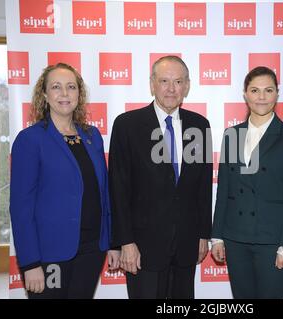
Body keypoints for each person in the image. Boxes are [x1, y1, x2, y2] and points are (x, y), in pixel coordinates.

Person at [10, 63, 119, 299]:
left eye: (71, 87)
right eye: (56, 87)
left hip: (92, 250)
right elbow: (21, 207)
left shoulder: (92, 137)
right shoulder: (30, 140)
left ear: (79, 94)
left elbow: (103, 193)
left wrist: (112, 242)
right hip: (49, 255)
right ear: (44, 95)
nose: (64, 94)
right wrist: (30, 264)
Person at [108, 56, 212, 299]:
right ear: (152, 84)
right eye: (164, 81)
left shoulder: (200, 126)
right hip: (141, 248)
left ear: (187, 86)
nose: (171, 88)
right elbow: (118, 188)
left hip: (186, 246)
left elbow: (203, 187)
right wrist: (124, 242)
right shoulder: (127, 125)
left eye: (178, 81)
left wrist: (203, 233)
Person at [211, 66, 283, 298]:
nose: (261, 97)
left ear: (277, 94)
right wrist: (217, 236)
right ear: (245, 94)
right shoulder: (231, 135)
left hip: (272, 242)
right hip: (235, 239)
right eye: (254, 90)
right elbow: (224, 191)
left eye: (268, 90)